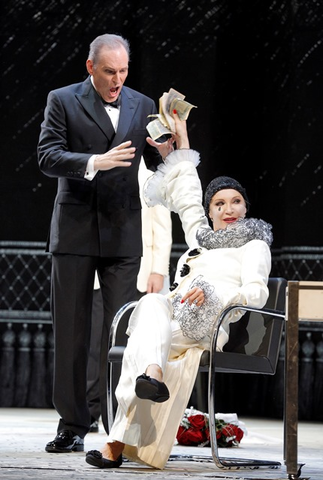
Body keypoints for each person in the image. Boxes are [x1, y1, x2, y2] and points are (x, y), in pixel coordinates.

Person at [84, 113, 273, 469]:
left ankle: (115, 444)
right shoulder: (202, 241)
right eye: (219, 203)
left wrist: (213, 297)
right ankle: (153, 374)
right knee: (153, 301)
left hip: (211, 323)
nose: (228, 209)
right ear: (211, 211)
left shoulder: (254, 246)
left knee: (139, 342)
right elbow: (187, 194)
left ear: (246, 208)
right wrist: (179, 141)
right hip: (174, 317)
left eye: (235, 202)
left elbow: (256, 292)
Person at [37, 33, 165, 453]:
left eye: (124, 71)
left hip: (122, 230)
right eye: (110, 71)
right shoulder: (62, 99)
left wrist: (164, 151)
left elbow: (150, 162)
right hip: (75, 230)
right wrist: (94, 162)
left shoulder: (143, 103)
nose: (118, 80)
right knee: (72, 334)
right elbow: (47, 156)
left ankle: (120, 425)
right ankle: (73, 423)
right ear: (90, 67)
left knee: (124, 333)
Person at [87, 159, 172, 432]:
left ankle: (117, 412)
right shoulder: (101, 170)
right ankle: (90, 410)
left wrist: (158, 269)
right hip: (101, 274)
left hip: (139, 273)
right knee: (93, 344)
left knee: (126, 345)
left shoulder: (150, 178)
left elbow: (162, 228)